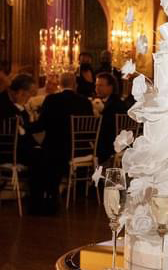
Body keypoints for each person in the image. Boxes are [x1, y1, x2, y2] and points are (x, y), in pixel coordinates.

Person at [28, 71, 92, 214]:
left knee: (39, 154)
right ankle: (56, 193)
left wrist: (25, 126)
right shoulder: (85, 102)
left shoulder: (51, 99)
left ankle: (45, 196)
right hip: (80, 149)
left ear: (59, 84)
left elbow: (41, 125)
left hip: (56, 147)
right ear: (75, 85)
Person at [0, 73, 38, 165]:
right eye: (30, 92)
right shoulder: (3, 102)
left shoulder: (15, 103)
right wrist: (19, 106)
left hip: (19, 147)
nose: (31, 96)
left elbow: (25, 127)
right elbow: (19, 129)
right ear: (21, 92)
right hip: (8, 151)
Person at [95, 71, 127, 165]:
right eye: (96, 85)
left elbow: (106, 127)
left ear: (110, 87)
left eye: (101, 85)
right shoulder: (102, 102)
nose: (97, 88)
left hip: (110, 144)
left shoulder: (115, 105)